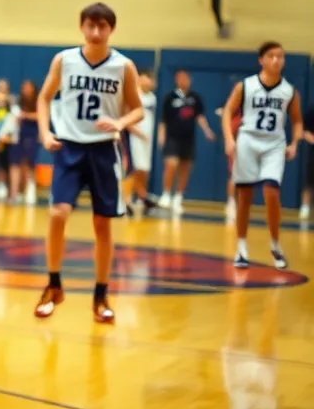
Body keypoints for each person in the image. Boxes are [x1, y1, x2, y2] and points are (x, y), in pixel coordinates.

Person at [34, 2, 143, 325]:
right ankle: (53, 285)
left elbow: (138, 108)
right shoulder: (64, 60)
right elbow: (43, 98)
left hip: (103, 150)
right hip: (68, 148)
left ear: (111, 30)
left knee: (102, 224)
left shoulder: (123, 66)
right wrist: (44, 132)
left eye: (102, 27)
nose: (96, 32)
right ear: (81, 27)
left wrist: (121, 123)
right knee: (58, 213)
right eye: (90, 26)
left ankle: (101, 294)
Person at [223, 42, 303, 270]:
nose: (277, 60)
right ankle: (241, 247)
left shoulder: (289, 90)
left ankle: (276, 245)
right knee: (245, 197)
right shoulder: (245, 86)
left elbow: (297, 120)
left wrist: (295, 143)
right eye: (272, 56)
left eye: (281, 57)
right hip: (247, 140)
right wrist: (229, 138)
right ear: (262, 60)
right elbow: (228, 111)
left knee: (271, 192)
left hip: (274, 144)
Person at [157, 68, 216, 214]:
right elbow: (163, 120)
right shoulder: (170, 97)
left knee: (185, 168)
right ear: (176, 80)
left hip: (188, 139)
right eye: (180, 78)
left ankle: (178, 197)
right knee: (171, 164)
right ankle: (166, 194)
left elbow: (200, 117)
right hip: (172, 137)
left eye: (186, 78)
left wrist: (207, 131)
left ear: (190, 80)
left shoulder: (195, 98)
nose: (183, 80)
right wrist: (161, 136)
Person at [123, 70, 158, 216]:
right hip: (134, 137)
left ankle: (141, 198)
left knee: (143, 169)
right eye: (147, 78)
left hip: (147, 138)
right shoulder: (133, 94)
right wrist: (135, 131)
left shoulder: (152, 98)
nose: (149, 81)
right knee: (134, 168)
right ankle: (127, 200)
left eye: (151, 79)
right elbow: (125, 116)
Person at [8, 79, 39, 204]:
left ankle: (29, 191)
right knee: (14, 163)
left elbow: (40, 116)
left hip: (31, 134)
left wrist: (25, 115)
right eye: (24, 87)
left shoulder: (38, 101)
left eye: (28, 87)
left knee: (28, 164)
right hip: (17, 135)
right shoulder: (18, 102)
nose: (25, 89)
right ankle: (14, 193)